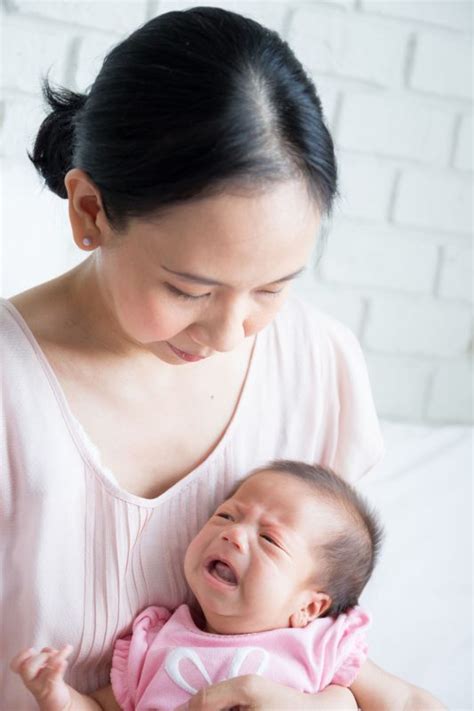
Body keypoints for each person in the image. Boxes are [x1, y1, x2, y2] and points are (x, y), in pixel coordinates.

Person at [1, 6, 444, 710]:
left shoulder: (318, 366)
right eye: (189, 289)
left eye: (272, 287)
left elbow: (325, 648)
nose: (234, 332)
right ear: (89, 212)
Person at [11, 460, 383, 710]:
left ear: (310, 607)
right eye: (225, 516)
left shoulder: (321, 645)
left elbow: (402, 703)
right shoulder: (157, 641)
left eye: (270, 539)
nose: (234, 534)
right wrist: (60, 697)